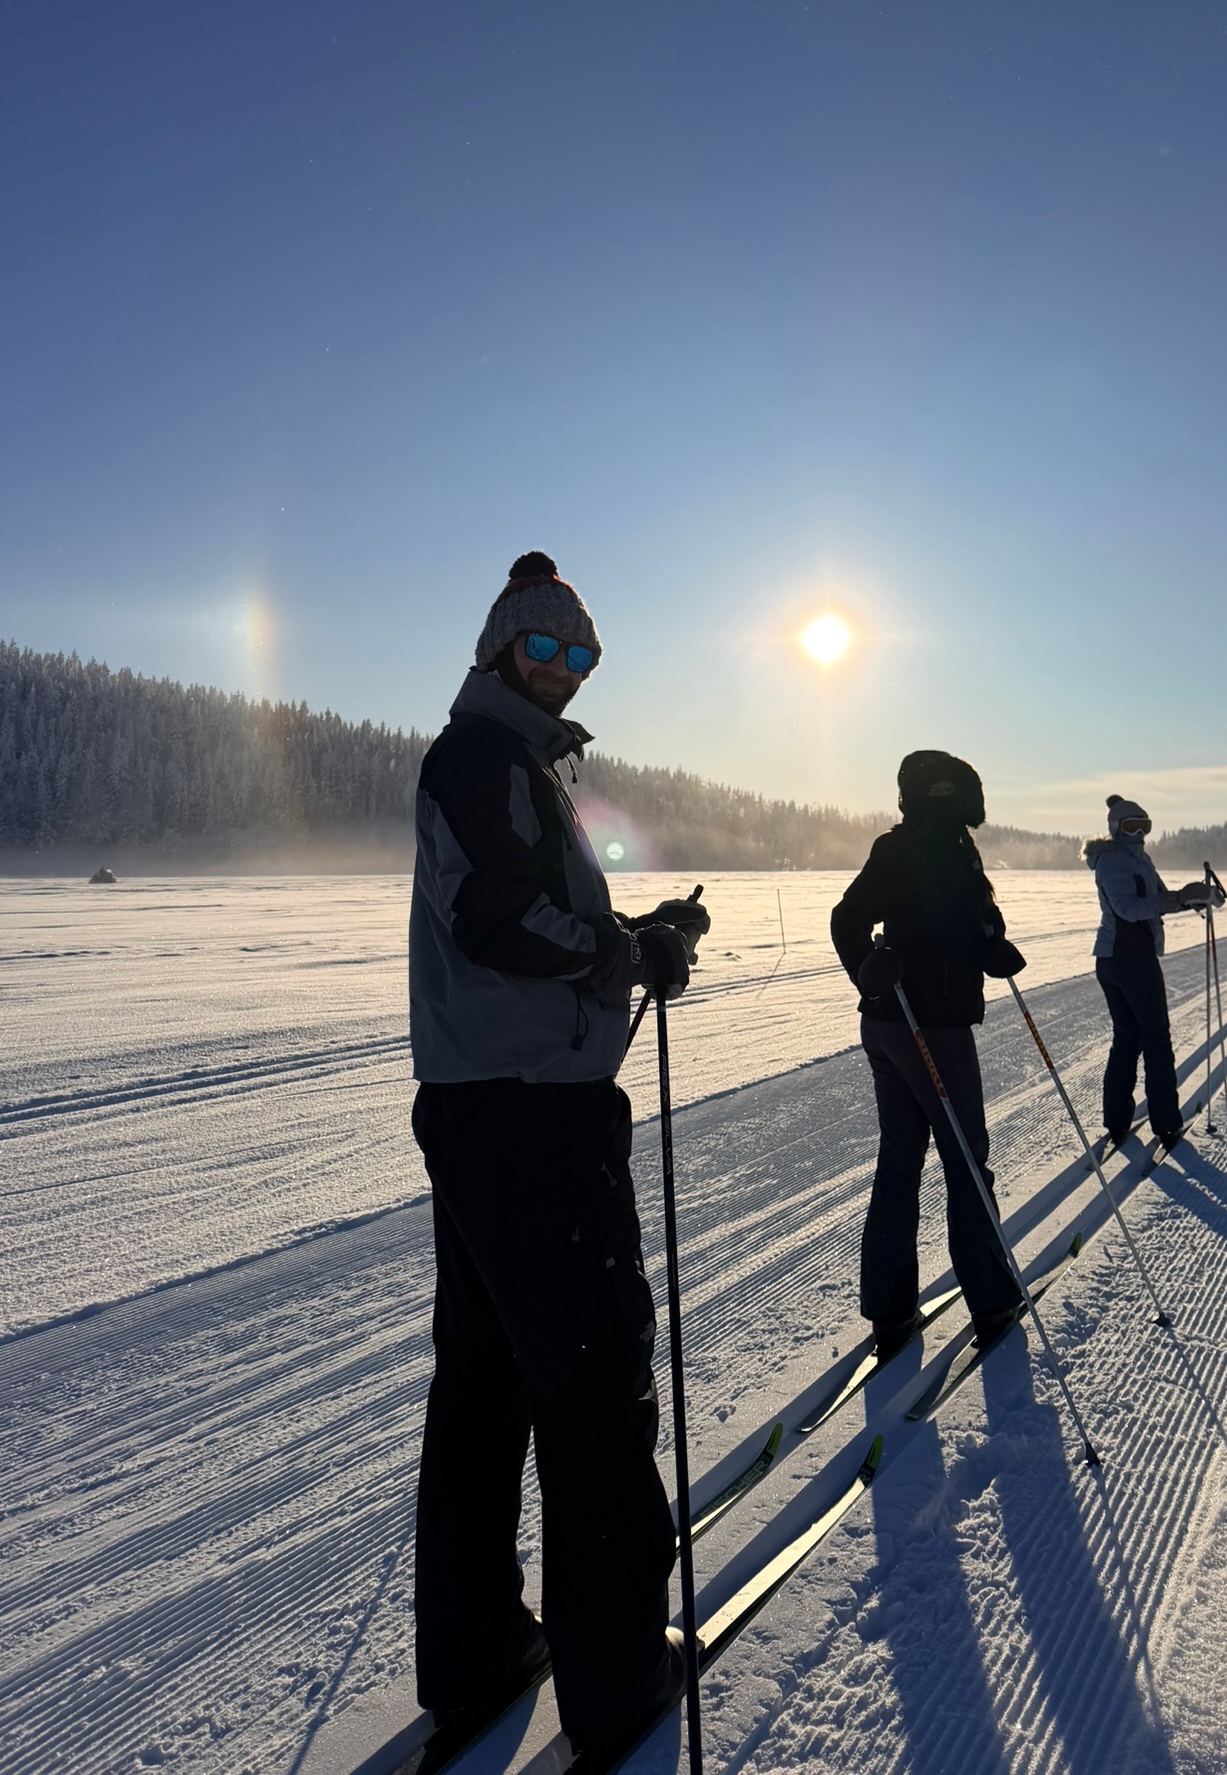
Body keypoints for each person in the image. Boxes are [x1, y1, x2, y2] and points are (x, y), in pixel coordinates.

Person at [407, 550, 711, 1774]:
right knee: (593, 1392)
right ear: (497, 651)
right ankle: (617, 1676)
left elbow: (527, 913)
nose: (561, 668)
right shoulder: (485, 759)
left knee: (484, 1389)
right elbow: (498, 917)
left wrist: (632, 935)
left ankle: (482, 1655)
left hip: (493, 1106)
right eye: (542, 648)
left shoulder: (509, 763)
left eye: (580, 654)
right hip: (531, 1120)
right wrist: (623, 954)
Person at [830, 751, 1027, 1358]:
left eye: (954, 788)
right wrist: (868, 968)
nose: (944, 797)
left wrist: (991, 944)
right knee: (966, 1160)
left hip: (910, 1022)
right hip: (918, 1026)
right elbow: (846, 920)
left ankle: (890, 1311)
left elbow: (969, 921)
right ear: (913, 795)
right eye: (933, 788)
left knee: (904, 1158)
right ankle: (991, 1300)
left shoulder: (960, 849)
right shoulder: (900, 849)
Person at [1082, 796, 1217, 1151]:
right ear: (1116, 828)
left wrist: (1193, 896)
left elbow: (1159, 898)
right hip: (1126, 957)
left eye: (1145, 825)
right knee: (1154, 1037)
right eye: (1131, 826)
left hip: (1127, 956)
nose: (1139, 833)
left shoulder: (1139, 858)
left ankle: (1117, 1120)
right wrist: (1175, 900)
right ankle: (1166, 1123)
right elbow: (1128, 908)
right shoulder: (1111, 861)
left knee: (1129, 1037)